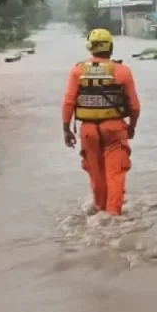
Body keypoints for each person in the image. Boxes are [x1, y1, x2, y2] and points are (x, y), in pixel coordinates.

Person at [62, 28, 141, 216]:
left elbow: (68, 102)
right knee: (115, 173)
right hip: (114, 129)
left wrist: (66, 129)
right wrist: (132, 126)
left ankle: (99, 209)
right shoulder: (122, 71)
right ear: (111, 47)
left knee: (96, 174)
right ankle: (113, 216)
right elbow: (135, 106)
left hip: (88, 131)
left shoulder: (77, 71)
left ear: (90, 48)